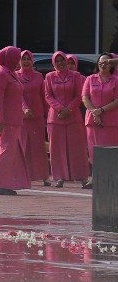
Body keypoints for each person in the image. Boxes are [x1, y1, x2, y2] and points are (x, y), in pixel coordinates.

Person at [0, 46, 31, 196]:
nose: (18, 61)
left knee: (11, 151)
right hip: (5, 120)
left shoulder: (11, 73)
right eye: (17, 57)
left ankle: (5, 182)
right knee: (5, 150)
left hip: (14, 119)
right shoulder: (0, 74)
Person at [45, 52, 90, 189]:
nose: (60, 63)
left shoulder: (76, 76)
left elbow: (79, 95)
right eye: (57, 61)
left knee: (77, 148)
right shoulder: (49, 77)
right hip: (55, 118)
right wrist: (60, 109)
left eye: (62, 60)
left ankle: (82, 177)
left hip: (73, 117)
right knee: (57, 149)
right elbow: (48, 95)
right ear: (53, 63)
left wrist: (68, 109)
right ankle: (59, 177)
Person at [83, 53, 118, 189]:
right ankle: (95, 178)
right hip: (93, 121)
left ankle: (109, 179)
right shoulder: (90, 79)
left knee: (109, 151)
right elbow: (85, 97)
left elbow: (117, 100)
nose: (103, 65)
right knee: (93, 151)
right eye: (101, 62)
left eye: (107, 62)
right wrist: (94, 112)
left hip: (110, 122)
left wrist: (101, 110)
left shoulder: (116, 80)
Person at [17, 49, 50, 187]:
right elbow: (17, 95)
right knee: (23, 145)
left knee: (38, 147)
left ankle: (43, 176)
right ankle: (22, 175)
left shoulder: (38, 77)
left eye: (28, 59)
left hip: (37, 116)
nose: (26, 62)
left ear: (32, 61)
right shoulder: (15, 76)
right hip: (22, 117)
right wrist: (24, 108)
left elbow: (44, 96)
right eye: (23, 59)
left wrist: (47, 114)